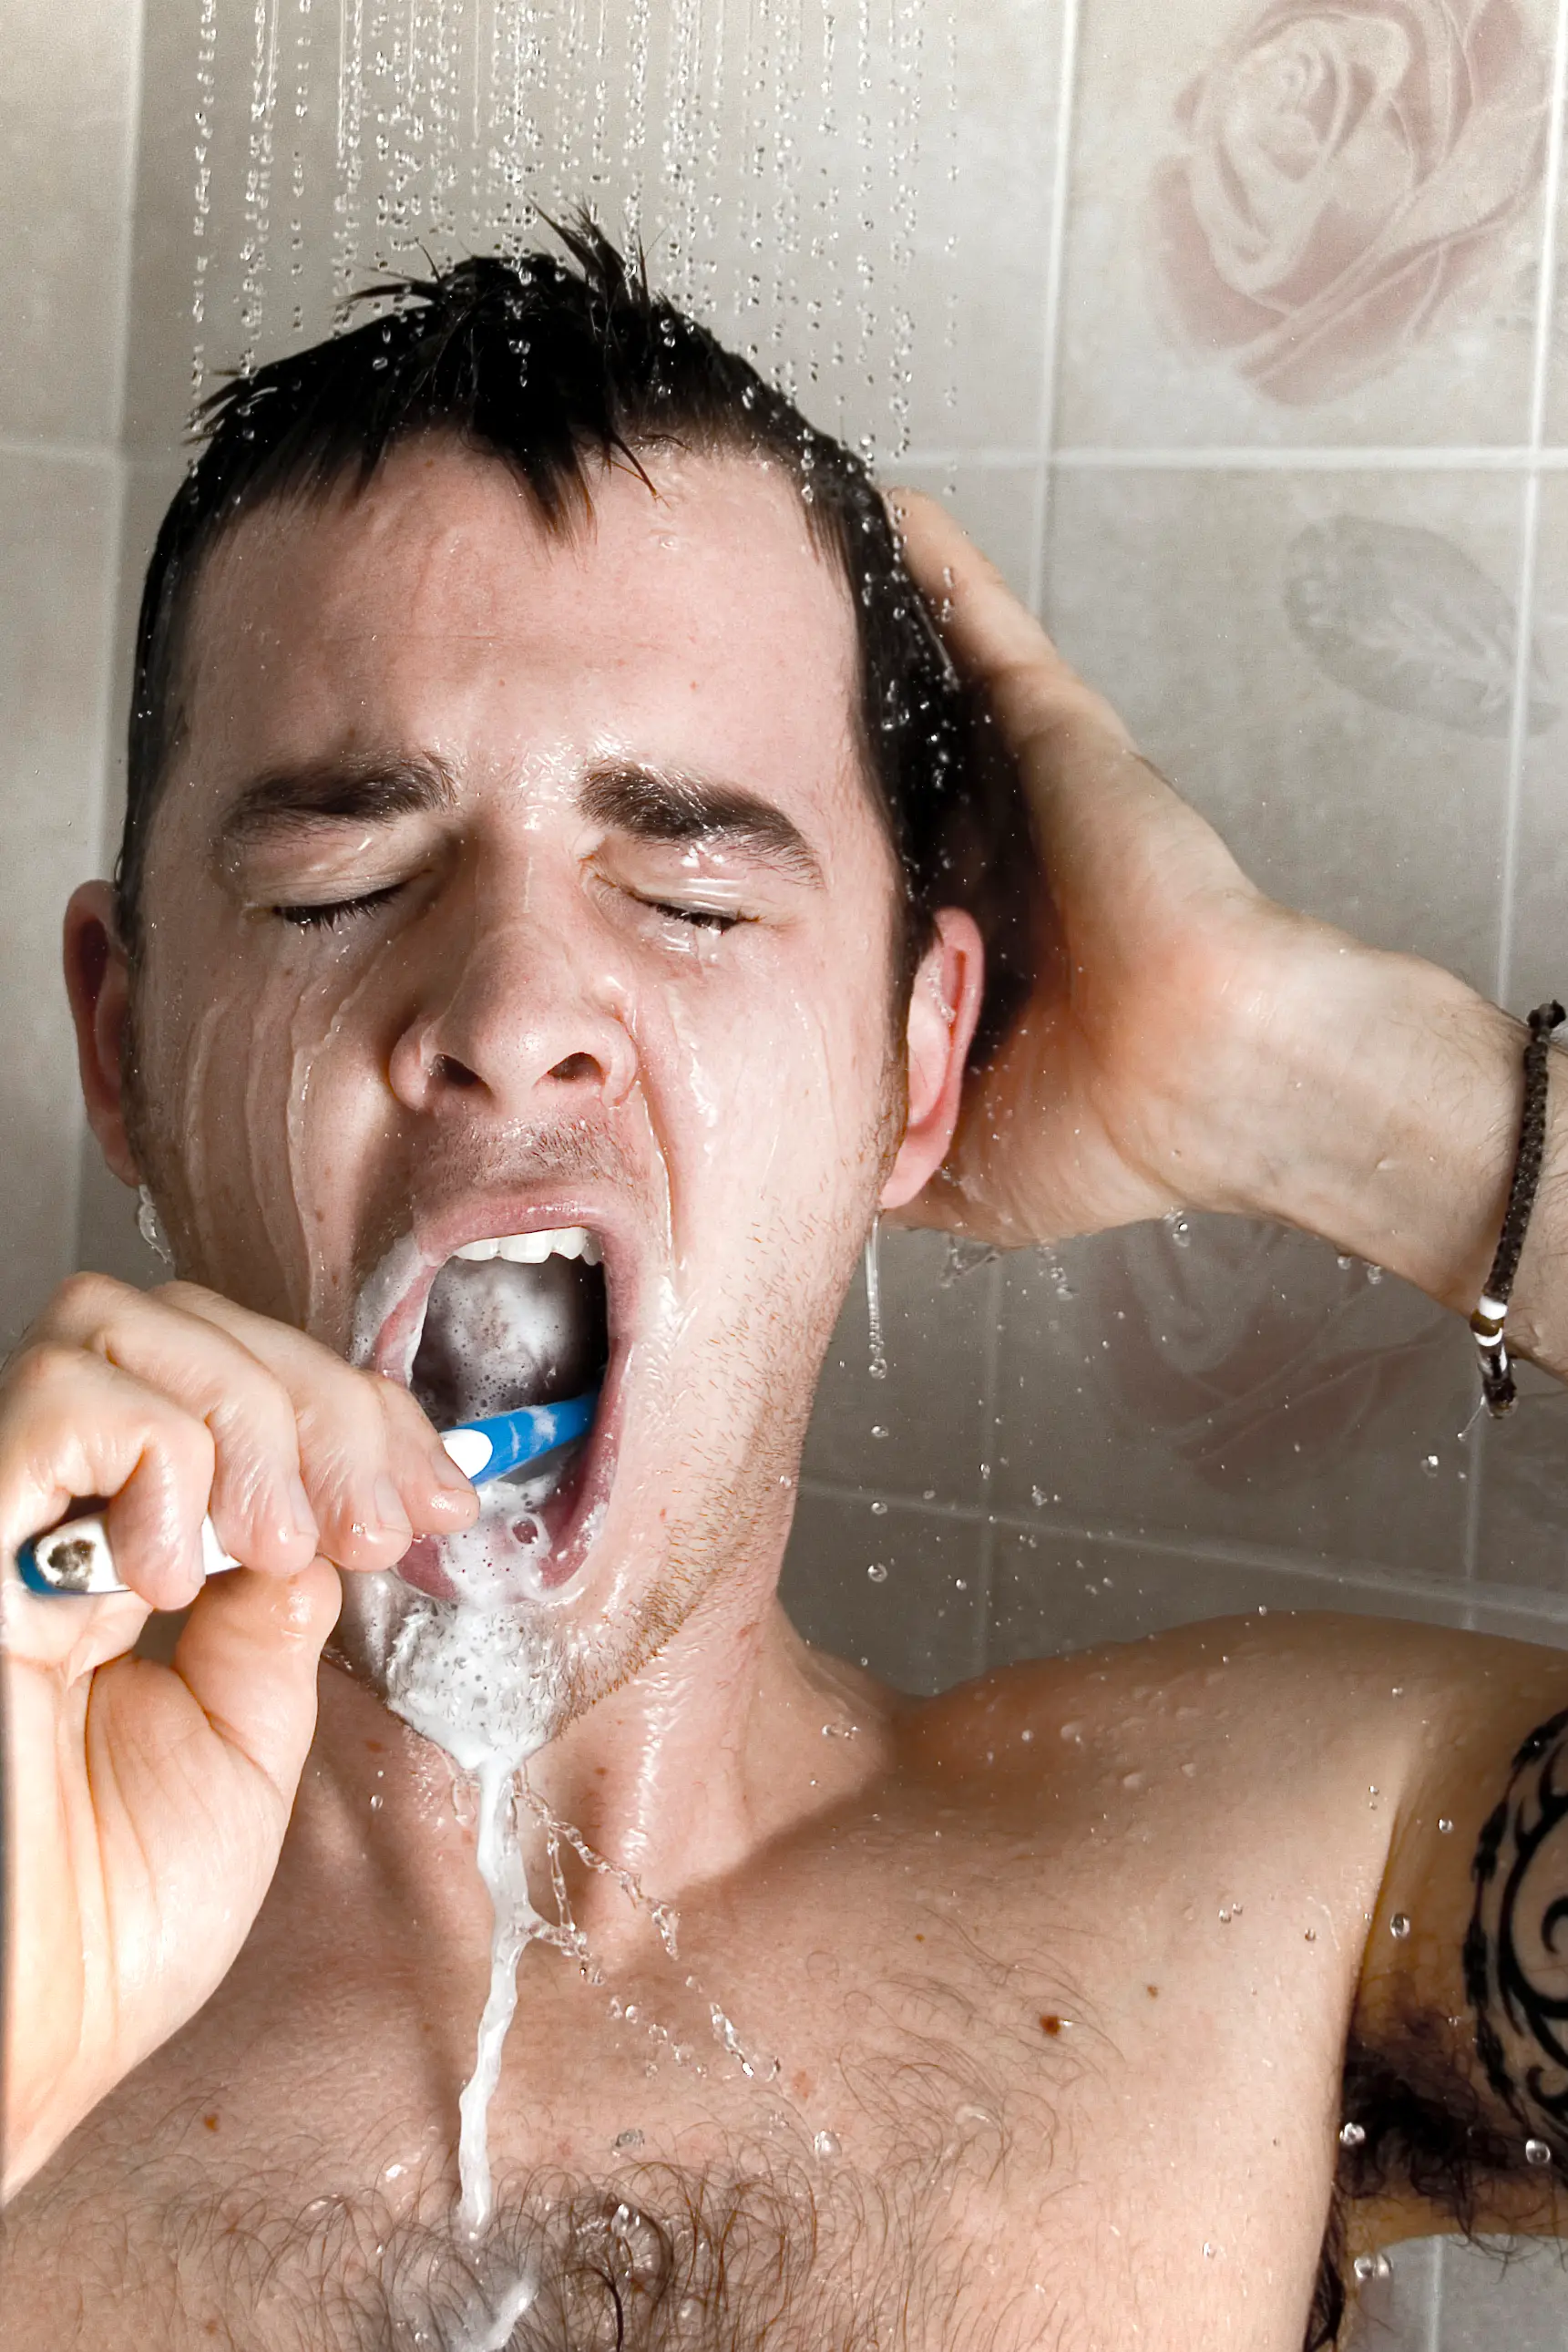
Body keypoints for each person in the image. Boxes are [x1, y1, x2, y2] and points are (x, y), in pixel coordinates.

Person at [3, 226, 1566, 2352]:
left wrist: (1324, 1089)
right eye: (341, 879)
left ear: (914, 1066)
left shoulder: (1269, 1890)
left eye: (690, 890)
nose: (517, 1005)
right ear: (119, 1041)